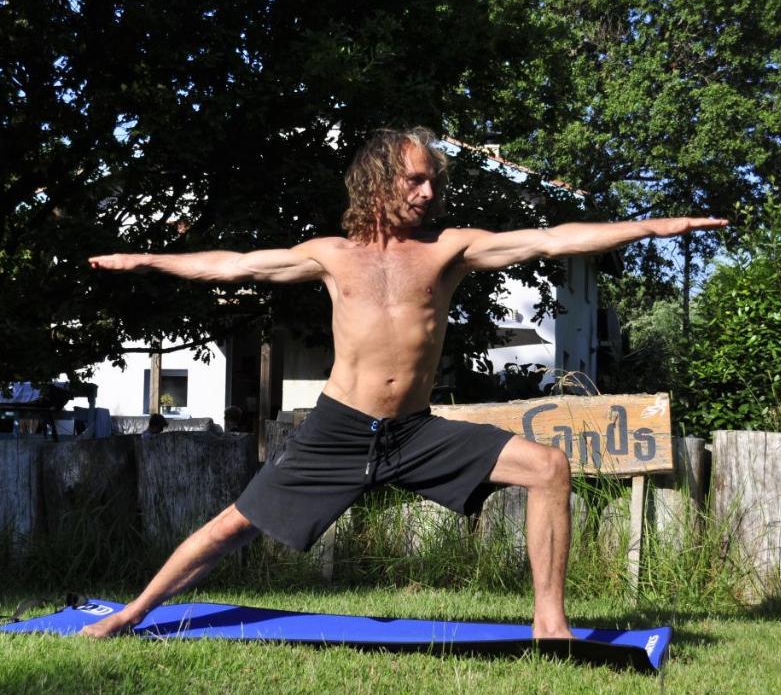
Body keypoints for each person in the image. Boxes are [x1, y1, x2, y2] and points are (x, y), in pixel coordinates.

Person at [85, 126, 726, 639]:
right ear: (378, 181)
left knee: (548, 467)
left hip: (415, 432)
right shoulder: (331, 254)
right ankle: (129, 613)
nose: (427, 192)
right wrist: (146, 257)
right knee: (232, 526)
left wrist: (649, 227)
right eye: (414, 179)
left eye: (431, 182)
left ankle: (550, 624)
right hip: (338, 428)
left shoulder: (449, 249)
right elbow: (235, 265)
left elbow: (549, 241)